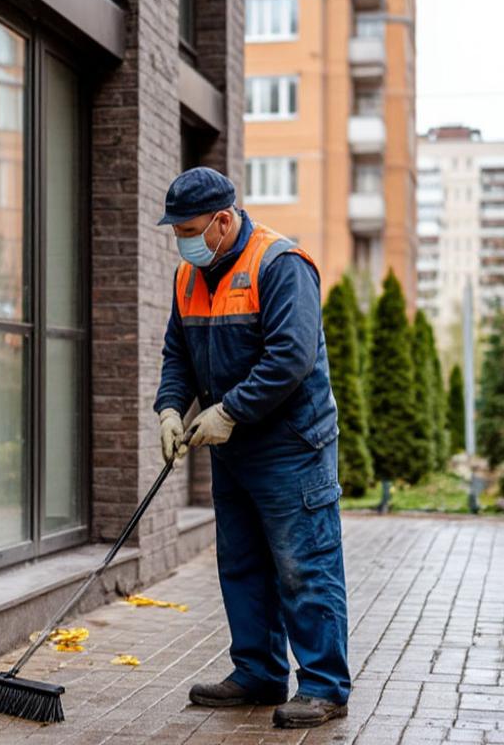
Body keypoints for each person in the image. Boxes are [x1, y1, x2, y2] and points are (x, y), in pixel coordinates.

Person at [154, 166, 350, 729]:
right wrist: (171, 408)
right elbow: (178, 355)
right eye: (175, 232)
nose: (182, 241)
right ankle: (259, 672)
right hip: (233, 449)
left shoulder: (280, 264)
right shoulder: (188, 279)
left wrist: (229, 411)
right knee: (241, 564)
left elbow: (290, 357)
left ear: (222, 220)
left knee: (303, 566)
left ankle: (325, 686)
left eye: (189, 229)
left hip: (292, 446)